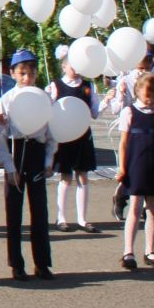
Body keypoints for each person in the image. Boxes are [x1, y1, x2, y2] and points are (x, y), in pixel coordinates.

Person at [0, 51, 55, 281]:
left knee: (40, 211)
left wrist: (48, 161)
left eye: (31, 73)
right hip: (16, 153)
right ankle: (16, 264)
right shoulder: (7, 100)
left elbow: (51, 133)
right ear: (13, 74)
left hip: (36, 153)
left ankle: (42, 263)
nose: (27, 78)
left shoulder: (44, 98)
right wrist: (9, 168)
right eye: (22, 73)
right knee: (14, 212)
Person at [116, 72, 154, 271]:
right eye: (147, 95)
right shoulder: (129, 112)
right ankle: (128, 252)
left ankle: (150, 250)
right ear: (137, 92)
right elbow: (124, 143)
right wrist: (122, 167)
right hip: (137, 163)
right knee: (135, 207)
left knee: (153, 210)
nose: (151, 99)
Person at [49, 53, 99, 231]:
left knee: (83, 176)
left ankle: (83, 219)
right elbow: (49, 109)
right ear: (63, 67)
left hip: (83, 136)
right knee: (66, 177)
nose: (76, 69)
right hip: (64, 137)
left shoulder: (88, 86)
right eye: (72, 66)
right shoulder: (55, 86)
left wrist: (106, 100)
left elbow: (95, 112)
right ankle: (61, 218)